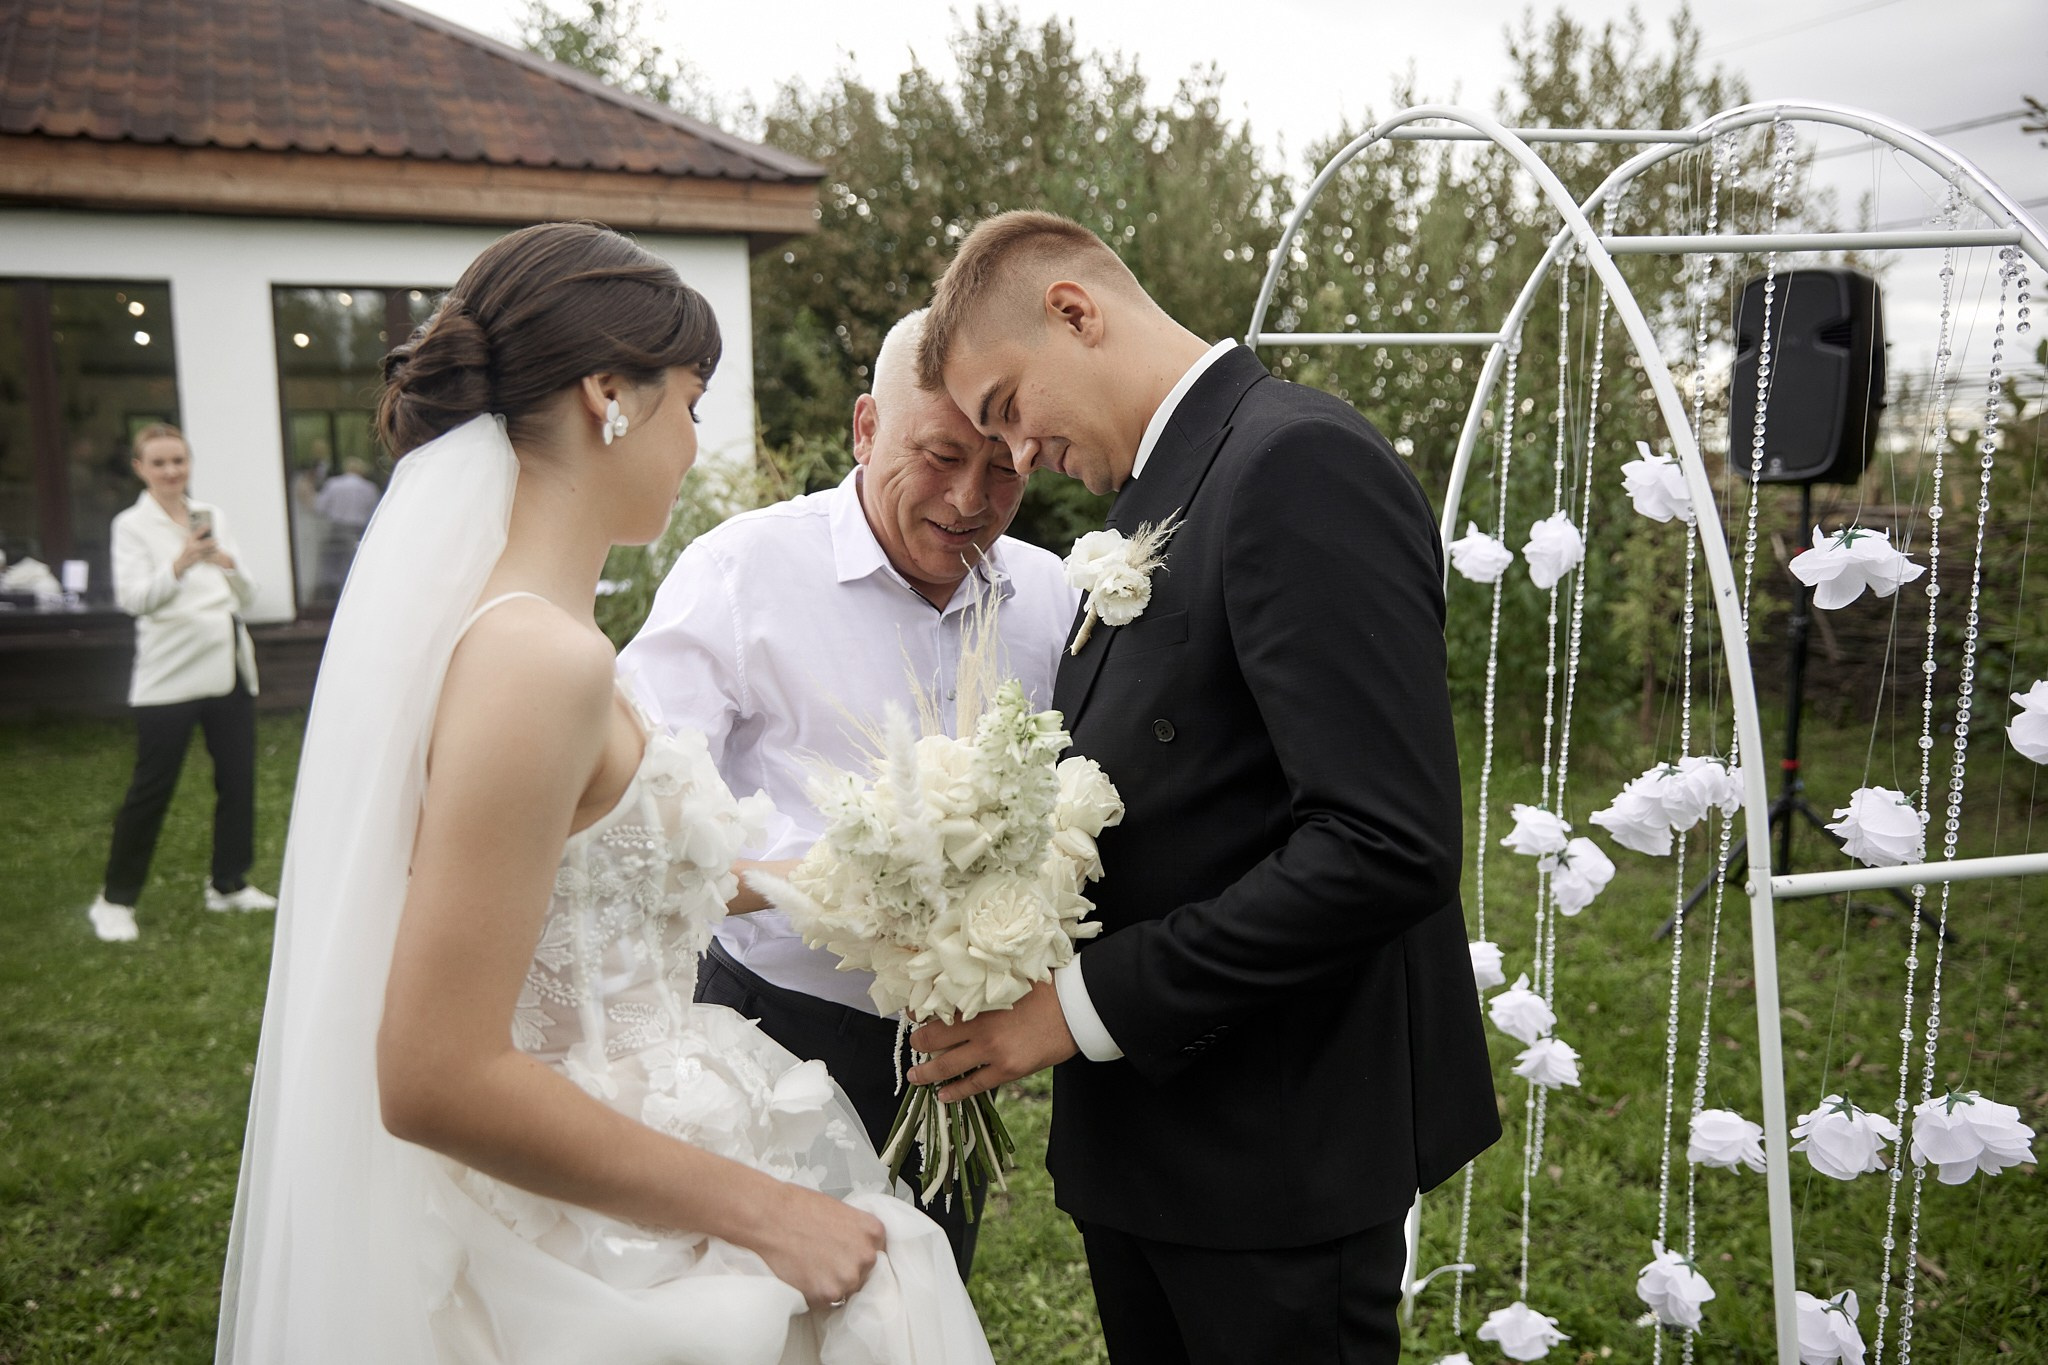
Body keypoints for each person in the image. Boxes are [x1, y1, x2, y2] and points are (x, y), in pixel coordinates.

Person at [218, 222, 990, 1365]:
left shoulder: (533, 631)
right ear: (608, 398)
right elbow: (432, 1073)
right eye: (691, 404)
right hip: (585, 1233)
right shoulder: (539, 661)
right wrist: (768, 1213)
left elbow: (581, 876)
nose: (693, 445)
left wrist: (822, 884)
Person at [905, 210, 1501, 1364]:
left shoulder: (1295, 463)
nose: (1013, 456)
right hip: (1149, 1147)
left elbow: (1382, 842)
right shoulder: (1155, 495)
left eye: (1008, 407)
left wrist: (1077, 1008)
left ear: (1074, 312)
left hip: (1273, 1154)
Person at [618, 306, 1077, 1276]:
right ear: (866, 429)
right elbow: (626, 834)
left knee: (923, 1300)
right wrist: (826, 884)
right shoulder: (737, 575)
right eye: (938, 456)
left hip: (958, 1054)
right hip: (771, 1032)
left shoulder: (1050, 598)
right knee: (762, 1305)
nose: (968, 498)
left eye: (1003, 466)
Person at [86, 423, 274, 943]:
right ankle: (115, 900)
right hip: (170, 672)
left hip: (228, 666)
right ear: (140, 469)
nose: (171, 471)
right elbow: (134, 600)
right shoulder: (131, 525)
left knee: (237, 782)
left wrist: (228, 565)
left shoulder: (211, 515)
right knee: (152, 787)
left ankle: (229, 884)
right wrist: (181, 563)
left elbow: (248, 594)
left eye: (179, 461)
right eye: (160, 463)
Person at [313, 455, 382, 598]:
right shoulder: (369, 488)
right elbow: (375, 512)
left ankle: (335, 595)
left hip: (337, 529)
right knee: (355, 565)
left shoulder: (333, 484)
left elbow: (320, 507)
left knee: (335, 565)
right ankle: (355, 595)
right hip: (359, 530)